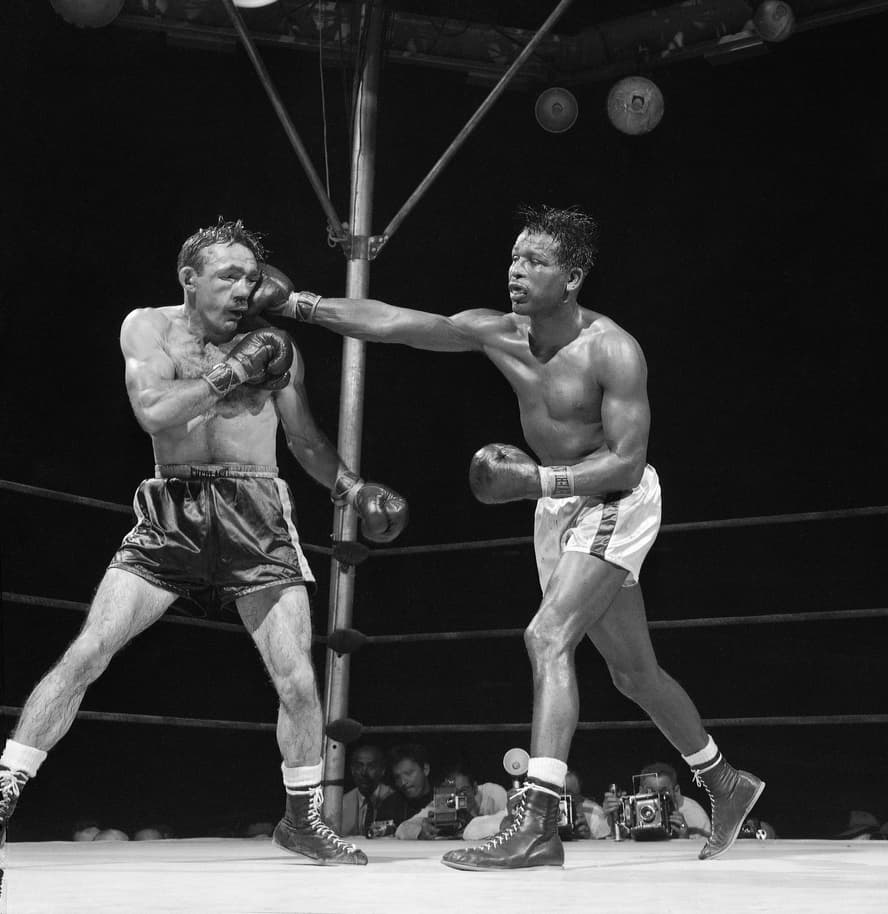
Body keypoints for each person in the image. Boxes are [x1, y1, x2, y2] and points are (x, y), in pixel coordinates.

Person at [250, 204, 765, 870]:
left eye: (535, 261)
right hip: (557, 508)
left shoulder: (612, 349)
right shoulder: (499, 332)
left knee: (546, 637)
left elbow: (626, 462)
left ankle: (538, 825)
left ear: (572, 277)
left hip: (613, 501)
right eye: (514, 258)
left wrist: (537, 481)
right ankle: (725, 780)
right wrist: (300, 304)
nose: (516, 271)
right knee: (634, 673)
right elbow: (399, 323)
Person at [0, 219, 409, 867]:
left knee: (298, 679)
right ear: (189, 278)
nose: (244, 289)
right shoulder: (150, 328)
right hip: (175, 506)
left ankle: (302, 819)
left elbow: (304, 439)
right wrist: (232, 371)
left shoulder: (274, 348)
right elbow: (153, 412)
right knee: (90, 649)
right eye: (228, 276)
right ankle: (6, 787)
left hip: (257, 509)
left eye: (251, 277)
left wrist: (355, 490)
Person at [601, 761, 711, 840]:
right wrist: (613, 821)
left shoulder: (694, 814)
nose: (656, 800)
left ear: (676, 791)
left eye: (663, 793)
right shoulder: (629, 807)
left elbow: (706, 854)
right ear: (640, 791)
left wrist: (684, 837)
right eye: (649, 792)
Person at [338, 743, 402, 838]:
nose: (364, 772)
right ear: (352, 770)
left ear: (382, 770)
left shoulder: (395, 800)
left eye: (371, 766)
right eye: (359, 766)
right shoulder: (341, 804)